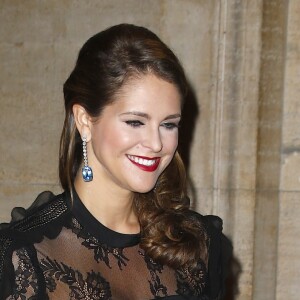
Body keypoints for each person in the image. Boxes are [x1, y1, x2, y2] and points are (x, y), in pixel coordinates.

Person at [0, 24, 228, 299]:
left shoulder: (197, 244)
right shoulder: (23, 257)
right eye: (135, 122)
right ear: (85, 121)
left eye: (168, 125)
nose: (156, 144)